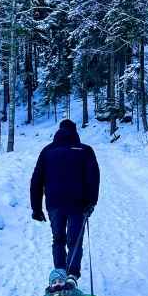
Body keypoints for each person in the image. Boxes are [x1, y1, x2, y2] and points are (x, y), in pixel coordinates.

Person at [30, 118, 100, 281]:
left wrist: (36, 208)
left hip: (54, 202)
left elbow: (36, 180)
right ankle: (72, 275)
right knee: (75, 240)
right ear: (75, 132)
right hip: (78, 203)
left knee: (58, 238)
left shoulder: (47, 151)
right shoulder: (85, 150)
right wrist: (92, 202)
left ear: (58, 132)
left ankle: (60, 273)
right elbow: (94, 178)